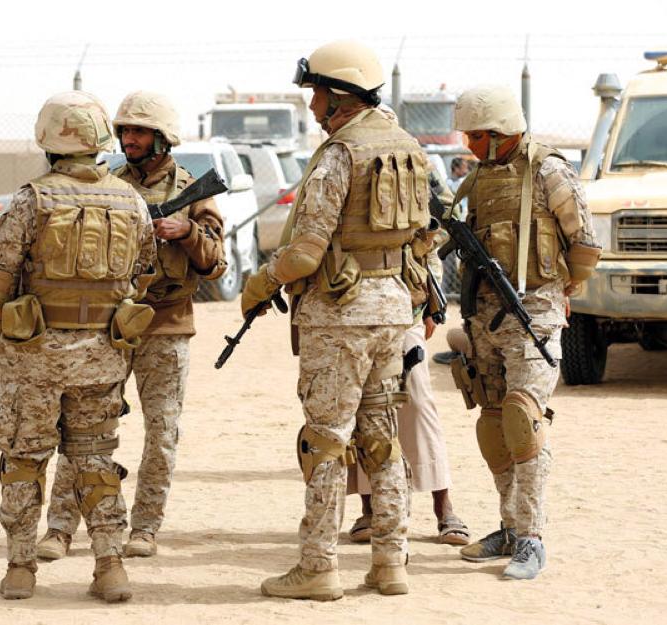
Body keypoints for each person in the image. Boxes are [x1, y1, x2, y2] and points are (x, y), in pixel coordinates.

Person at [243, 39, 435, 600]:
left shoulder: (339, 155)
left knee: (325, 441)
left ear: (339, 95)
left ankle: (318, 567)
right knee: (381, 438)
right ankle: (391, 564)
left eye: (317, 94)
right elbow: (423, 237)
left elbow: (305, 253)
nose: (311, 106)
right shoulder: (408, 149)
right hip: (393, 309)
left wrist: (261, 283)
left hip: (340, 316)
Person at [0, 90, 156, 602]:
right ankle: (110, 567)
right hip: (102, 359)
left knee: (24, 459)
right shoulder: (131, 200)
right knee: (96, 459)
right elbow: (143, 275)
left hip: (34, 358)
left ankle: (20, 568)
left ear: (48, 141)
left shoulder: (32, 199)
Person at [35, 91, 226, 561]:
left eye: (140, 131)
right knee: (83, 430)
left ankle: (144, 527)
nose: (129, 139)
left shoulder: (193, 191)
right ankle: (60, 528)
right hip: (112, 327)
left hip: (167, 326)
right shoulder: (110, 185)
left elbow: (216, 265)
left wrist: (187, 233)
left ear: (162, 138)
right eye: (125, 131)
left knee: (162, 434)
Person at [448, 84, 600, 580]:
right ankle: (510, 527)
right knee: (494, 425)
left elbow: (584, 241)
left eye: (476, 136)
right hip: (484, 318)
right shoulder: (477, 179)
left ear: (501, 132)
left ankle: (532, 538)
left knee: (523, 419)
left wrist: (563, 290)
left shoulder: (547, 170)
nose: (469, 145)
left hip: (533, 313)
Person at [345, 112, 469, 549]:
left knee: (417, 399)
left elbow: (438, 231)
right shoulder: (342, 163)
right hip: (350, 304)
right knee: (359, 405)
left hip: (404, 303)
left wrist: (432, 299)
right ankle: (368, 509)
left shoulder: (417, 168)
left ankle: (444, 507)